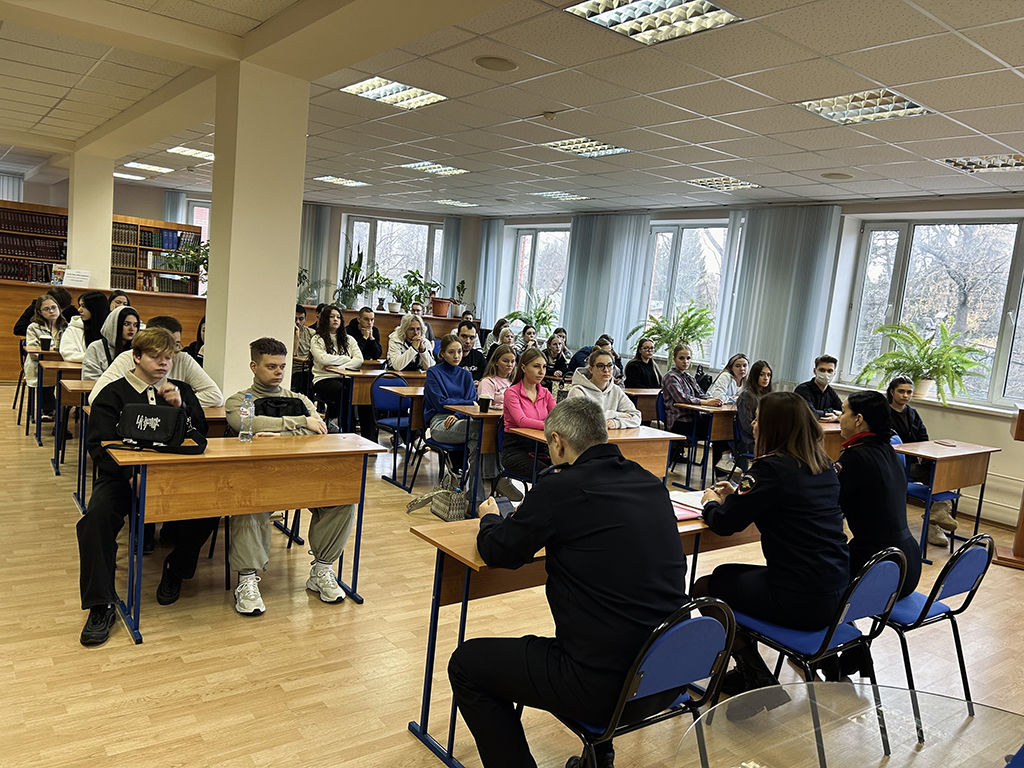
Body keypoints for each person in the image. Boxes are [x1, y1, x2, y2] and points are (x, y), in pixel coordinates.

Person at [448, 398, 689, 768]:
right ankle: (599, 757)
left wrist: (489, 517)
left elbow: (499, 552)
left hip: (602, 688)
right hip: (666, 673)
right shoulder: (648, 481)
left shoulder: (559, 488)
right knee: (609, 619)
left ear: (557, 442)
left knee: (466, 665)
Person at [696, 391, 849, 720]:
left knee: (706, 588)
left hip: (799, 598)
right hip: (838, 593)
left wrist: (711, 503)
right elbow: (783, 503)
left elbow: (725, 524)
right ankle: (749, 673)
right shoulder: (823, 465)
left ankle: (757, 678)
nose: (752, 423)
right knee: (729, 577)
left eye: (757, 419)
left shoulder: (770, 469)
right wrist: (738, 495)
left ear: (773, 427)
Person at [77, 327, 218, 646]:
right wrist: (131, 474)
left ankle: (176, 568)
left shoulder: (180, 390)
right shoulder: (113, 393)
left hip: (173, 476)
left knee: (213, 505)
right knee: (95, 519)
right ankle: (101, 604)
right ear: (136, 357)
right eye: (156, 357)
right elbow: (99, 445)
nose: (164, 363)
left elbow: (200, 434)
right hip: (121, 477)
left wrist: (182, 408)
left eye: (169, 357)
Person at [224, 337, 357, 614]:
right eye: (271, 366)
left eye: (282, 366)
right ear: (254, 366)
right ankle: (247, 580)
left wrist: (279, 435)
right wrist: (299, 423)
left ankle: (321, 570)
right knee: (248, 504)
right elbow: (245, 423)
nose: (279, 372)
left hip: (302, 476)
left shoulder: (299, 399)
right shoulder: (239, 400)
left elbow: (319, 429)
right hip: (258, 479)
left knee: (343, 499)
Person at [90, 315, 224, 408]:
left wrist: (177, 402)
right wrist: (152, 405)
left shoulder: (182, 358)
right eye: (160, 349)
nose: (172, 352)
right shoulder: (127, 358)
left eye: (176, 345)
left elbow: (215, 396)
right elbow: (96, 397)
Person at [886, 376, 957, 545]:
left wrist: (923, 455)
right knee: (936, 476)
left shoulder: (912, 413)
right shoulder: (884, 413)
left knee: (942, 474)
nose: (905, 395)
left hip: (916, 462)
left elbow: (923, 437)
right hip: (897, 464)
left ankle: (936, 518)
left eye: (909, 392)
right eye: (901, 391)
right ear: (892, 392)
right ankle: (938, 514)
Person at [424, 334, 495, 502]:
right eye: (451, 352)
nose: (456, 356)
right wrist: (463, 404)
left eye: (459, 352)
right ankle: (496, 478)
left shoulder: (466, 375)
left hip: (462, 420)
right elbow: (440, 403)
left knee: (477, 444)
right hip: (440, 422)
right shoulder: (433, 372)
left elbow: (472, 402)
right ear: (442, 353)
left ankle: (474, 500)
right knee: (483, 430)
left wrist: (457, 414)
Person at [501, 348, 555, 489]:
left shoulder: (546, 393)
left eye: (544, 367)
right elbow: (521, 421)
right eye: (536, 366)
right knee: (547, 475)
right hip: (515, 449)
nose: (541, 371)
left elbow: (558, 417)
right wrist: (549, 425)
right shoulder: (511, 392)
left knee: (565, 471)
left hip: (542, 447)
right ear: (524, 368)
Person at [661, 344, 721, 454]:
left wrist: (714, 400)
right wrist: (706, 402)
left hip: (693, 419)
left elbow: (700, 394)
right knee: (717, 429)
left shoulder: (689, 377)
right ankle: (721, 459)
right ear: (674, 359)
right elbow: (681, 398)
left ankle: (720, 459)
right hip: (679, 421)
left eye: (688, 358)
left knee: (721, 426)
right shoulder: (670, 377)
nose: (685, 361)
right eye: (681, 358)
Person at [310, 306, 363, 429]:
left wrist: (339, 368)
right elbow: (323, 359)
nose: (335, 319)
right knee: (343, 392)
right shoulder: (317, 339)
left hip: (345, 376)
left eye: (338, 317)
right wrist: (346, 358)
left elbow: (359, 360)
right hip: (324, 378)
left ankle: (368, 435)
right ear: (325, 319)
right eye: (332, 316)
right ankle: (347, 430)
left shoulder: (349, 339)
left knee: (362, 391)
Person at [567, 348, 641, 430]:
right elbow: (582, 421)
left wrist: (616, 423)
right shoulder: (578, 391)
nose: (606, 370)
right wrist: (617, 415)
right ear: (591, 369)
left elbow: (636, 417)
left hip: (613, 436)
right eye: (600, 366)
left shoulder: (616, 390)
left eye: (610, 365)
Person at [23, 293, 68, 420]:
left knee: (70, 379)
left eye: (54, 307)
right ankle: (50, 410)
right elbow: (33, 352)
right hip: (38, 364)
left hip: (61, 364)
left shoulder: (66, 326)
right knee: (45, 373)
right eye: (46, 309)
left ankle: (64, 410)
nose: (51, 311)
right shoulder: (33, 327)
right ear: (40, 312)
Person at [82, 305, 141, 381]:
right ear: (114, 324)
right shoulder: (96, 347)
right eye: (126, 324)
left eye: (135, 325)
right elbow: (90, 378)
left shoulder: (138, 349)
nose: (132, 329)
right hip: (101, 387)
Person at [735, 360, 772, 460]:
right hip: (750, 440)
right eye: (762, 375)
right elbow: (746, 425)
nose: (766, 378)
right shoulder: (746, 396)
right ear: (755, 376)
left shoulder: (769, 396)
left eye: (768, 375)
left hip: (764, 439)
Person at [60, 290, 109, 362]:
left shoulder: (110, 330)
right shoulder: (73, 329)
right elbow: (68, 354)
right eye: (79, 306)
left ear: (95, 308)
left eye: (83, 306)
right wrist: (97, 358)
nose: (79, 310)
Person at [794, 354, 842, 421]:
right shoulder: (803, 389)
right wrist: (832, 411)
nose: (826, 374)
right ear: (815, 371)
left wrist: (836, 418)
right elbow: (810, 413)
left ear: (834, 373)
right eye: (822, 370)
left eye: (830, 371)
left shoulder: (831, 391)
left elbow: (845, 411)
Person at [478, 344, 516, 411]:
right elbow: (487, 410)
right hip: (497, 416)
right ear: (496, 362)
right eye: (505, 361)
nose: (510, 365)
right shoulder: (487, 382)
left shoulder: (516, 381)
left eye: (512, 361)